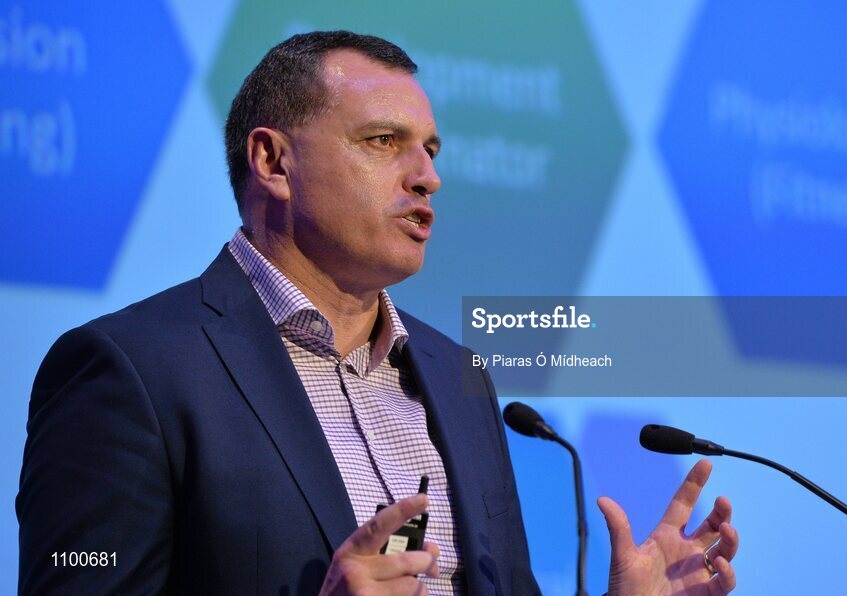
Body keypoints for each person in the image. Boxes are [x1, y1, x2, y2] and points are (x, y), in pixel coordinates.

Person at [17, 31, 738, 595]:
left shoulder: (460, 377)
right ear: (272, 161)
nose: (428, 176)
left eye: (428, 149)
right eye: (383, 142)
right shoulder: (133, 369)